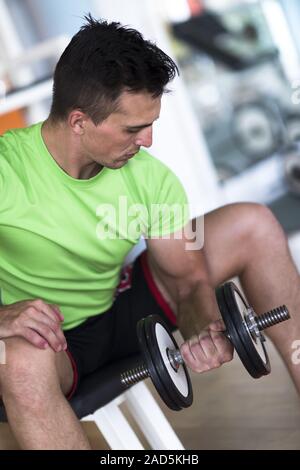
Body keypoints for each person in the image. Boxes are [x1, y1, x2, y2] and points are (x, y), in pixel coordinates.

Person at [0, 15, 299, 451]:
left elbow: (188, 276)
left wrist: (204, 326)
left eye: (152, 124)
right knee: (21, 363)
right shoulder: (8, 171)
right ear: (80, 121)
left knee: (251, 224)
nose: (149, 141)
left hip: (123, 307)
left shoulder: (149, 179)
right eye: (133, 129)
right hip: (52, 345)